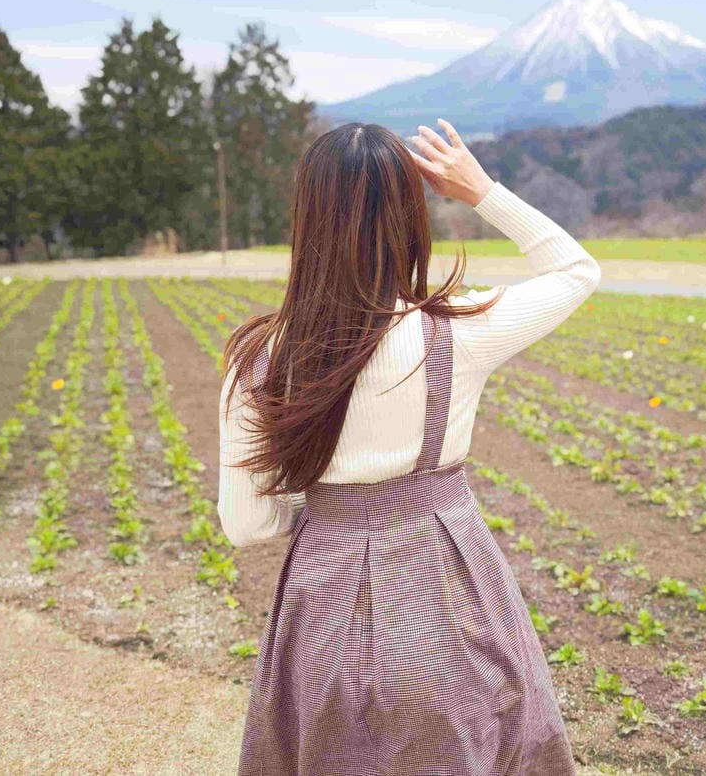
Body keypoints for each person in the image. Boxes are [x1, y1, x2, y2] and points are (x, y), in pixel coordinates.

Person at [218, 118, 600, 775]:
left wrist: (323, 512)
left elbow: (248, 525)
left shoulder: (261, 357)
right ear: (409, 217)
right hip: (453, 593)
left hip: (325, 602)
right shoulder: (460, 333)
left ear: (307, 218)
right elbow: (575, 270)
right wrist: (479, 189)